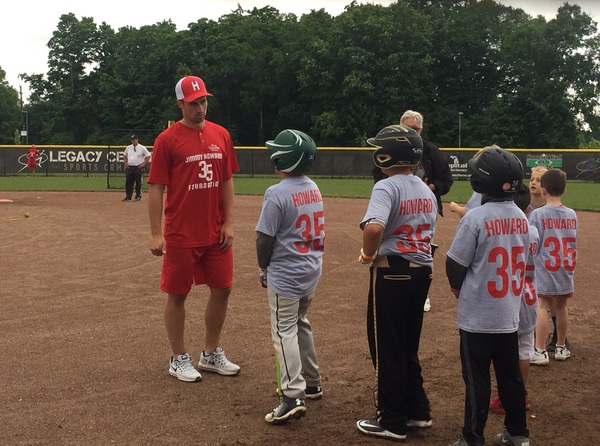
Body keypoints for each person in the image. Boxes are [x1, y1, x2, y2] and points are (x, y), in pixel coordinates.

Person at [147, 75, 240, 383]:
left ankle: (211, 354)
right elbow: (157, 189)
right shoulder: (167, 140)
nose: (200, 108)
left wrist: (228, 222)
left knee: (223, 288)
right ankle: (178, 357)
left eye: (203, 101)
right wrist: (156, 232)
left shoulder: (221, 135)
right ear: (180, 104)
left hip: (215, 232)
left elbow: (227, 180)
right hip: (181, 232)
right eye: (193, 103)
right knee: (177, 294)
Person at [356, 124, 437, 442]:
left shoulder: (387, 186)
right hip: (421, 274)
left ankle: (392, 420)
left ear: (387, 154)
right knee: (406, 346)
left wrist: (366, 255)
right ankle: (417, 411)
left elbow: (374, 229)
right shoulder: (425, 188)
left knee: (387, 347)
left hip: (392, 273)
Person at [446, 146, 530, 446]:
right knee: (510, 378)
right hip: (508, 314)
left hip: (477, 317)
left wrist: (458, 288)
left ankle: (471, 437)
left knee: (477, 380)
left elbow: (455, 264)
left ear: (480, 182)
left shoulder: (476, 218)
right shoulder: (522, 218)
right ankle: (518, 433)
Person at [256, 129, 324, 425]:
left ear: (283, 158)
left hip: (287, 273)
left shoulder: (276, 193)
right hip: (311, 269)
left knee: (283, 331)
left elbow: (264, 238)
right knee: (300, 323)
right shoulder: (313, 187)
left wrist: (264, 268)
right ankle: (311, 381)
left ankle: (292, 395)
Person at [374, 110, 452, 313]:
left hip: (424, 206)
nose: (412, 131)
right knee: (395, 243)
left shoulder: (430, 151)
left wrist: (430, 187)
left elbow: (446, 180)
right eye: (408, 128)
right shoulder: (390, 148)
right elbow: (378, 173)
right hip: (398, 205)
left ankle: (422, 293)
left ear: (422, 130)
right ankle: (393, 284)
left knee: (423, 247)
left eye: (415, 129)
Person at [489, 183, 539, 414]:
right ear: (527, 206)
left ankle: (505, 397)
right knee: (524, 349)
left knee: (502, 350)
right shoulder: (533, 230)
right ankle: (521, 395)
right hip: (528, 294)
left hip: (506, 294)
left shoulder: (502, 229)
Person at [529, 168, 577, 365]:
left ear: (543, 190)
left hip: (544, 266)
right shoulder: (572, 214)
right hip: (565, 266)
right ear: (564, 190)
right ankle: (560, 347)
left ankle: (539, 350)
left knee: (541, 305)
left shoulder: (538, 214)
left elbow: (532, 244)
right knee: (562, 305)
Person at [122, 135, 151, 201]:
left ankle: (138, 196)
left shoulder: (142, 148)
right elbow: (125, 155)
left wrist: (143, 163)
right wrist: (126, 163)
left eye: (134, 139)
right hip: (130, 167)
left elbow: (148, 156)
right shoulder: (128, 147)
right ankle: (128, 196)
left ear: (137, 140)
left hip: (138, 167)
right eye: (132, 140)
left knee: (138, 182)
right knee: (128, 182)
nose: (133, 141)